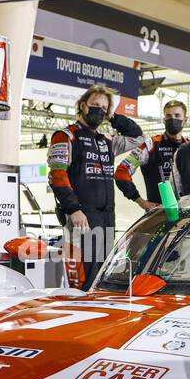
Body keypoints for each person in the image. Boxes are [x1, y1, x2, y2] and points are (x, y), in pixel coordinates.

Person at [47, 84, 146, 289]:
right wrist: (74, 209)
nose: (98, 110)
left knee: (101, 275)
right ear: (82, 105)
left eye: (103, 107)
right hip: (81, 216)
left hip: (107, 215)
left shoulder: (107, 140)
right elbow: (58, 175)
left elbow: (138, 138)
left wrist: (112, 117)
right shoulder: (66, 135)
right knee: (81, 276)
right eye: (94, 105)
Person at [114, 99, 188, 207]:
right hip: (159, 213)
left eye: (177, 115)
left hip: (187, 213)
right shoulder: (151, 145)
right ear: (164, 120)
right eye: (168, 116)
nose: (173, 119)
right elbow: (122, 171)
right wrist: (140, 201)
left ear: (185, 120)